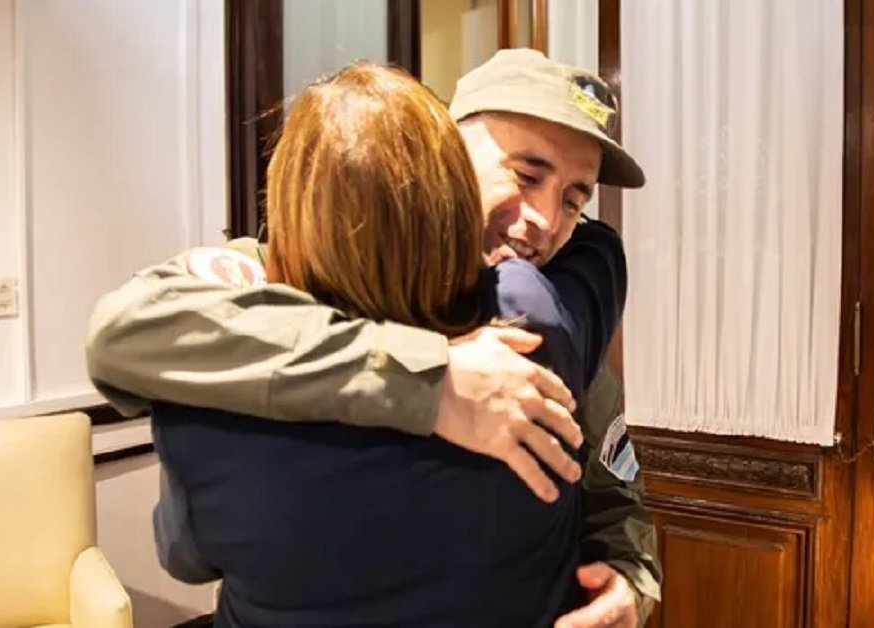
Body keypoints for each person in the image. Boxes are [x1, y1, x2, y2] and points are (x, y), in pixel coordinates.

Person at [88, 49, 659, 626]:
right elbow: (128, 333)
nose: (546, 220)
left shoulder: (552, 310)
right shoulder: (277, 279)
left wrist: (630, 575)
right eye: (526, 174)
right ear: (448, 159)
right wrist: (426, 376)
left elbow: (608, 481)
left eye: (573, 199)